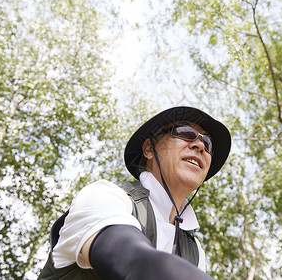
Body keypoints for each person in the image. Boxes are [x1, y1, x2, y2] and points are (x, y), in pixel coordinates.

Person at [39, 106, 231, 279]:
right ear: (149, 148)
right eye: (185, 131)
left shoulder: (195, 251)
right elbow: (135, 262)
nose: (200, 145)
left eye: (208, 142)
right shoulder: (104, 196)